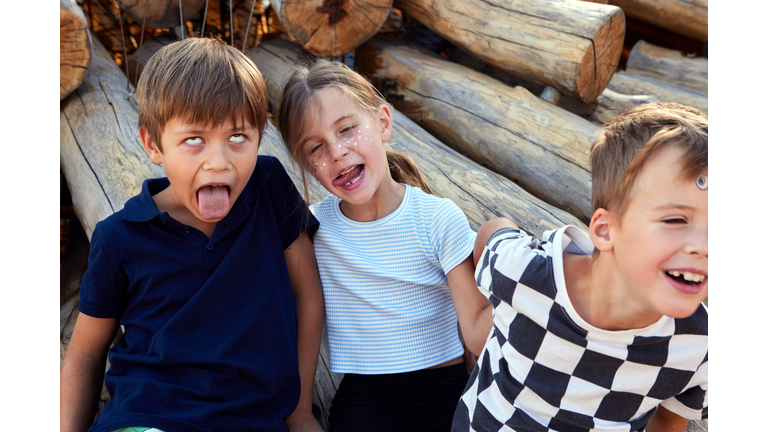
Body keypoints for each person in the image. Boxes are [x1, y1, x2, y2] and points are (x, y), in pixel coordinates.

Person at [60, 37, 325, 432]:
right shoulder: (118, 237)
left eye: (238, 137)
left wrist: (300, 411)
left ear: (259, 135)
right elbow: (85, 351)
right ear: (153, 143)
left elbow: (307, 292)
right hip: (147, 417)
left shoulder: (269, 187)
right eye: (194, 140)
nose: (218, 162)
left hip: (252, 419)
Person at [452, 102, 708, 431]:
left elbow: (669, 422)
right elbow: (492, 233)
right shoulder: (525, 272)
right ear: (605, 230)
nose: (703, 246)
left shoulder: (699, 344)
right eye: (675, 219)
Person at [276, 61, 494, 432]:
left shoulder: (437, 218)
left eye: (347, 129)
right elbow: (303, 311)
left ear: (383, 123)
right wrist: (300, 415)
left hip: (448, 388)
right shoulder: (313, 227)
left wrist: (511, 260)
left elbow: (475, 326)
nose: (337, 151)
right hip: (368, 396)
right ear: (307, 164)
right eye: (316, 147)